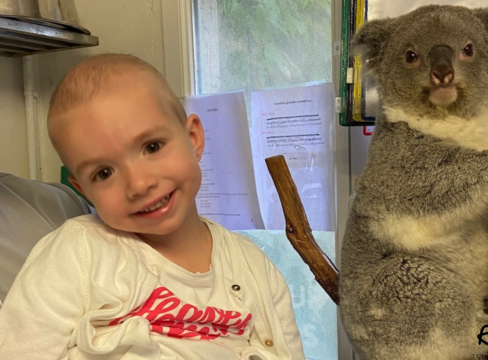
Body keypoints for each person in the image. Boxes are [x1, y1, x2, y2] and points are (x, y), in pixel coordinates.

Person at [0, 54, 305, 360]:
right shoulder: (77, 253)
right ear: (84, 189)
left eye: (152, 147)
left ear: (194, 138)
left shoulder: (255, 268)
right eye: (104, 173)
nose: (139, 184)